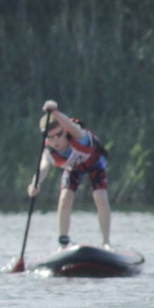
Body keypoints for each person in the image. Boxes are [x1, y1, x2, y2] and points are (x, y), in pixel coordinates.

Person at [35, 100, 113, 250]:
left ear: (64, 131)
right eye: (49, 137)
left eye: (57, 135)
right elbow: (43, 168)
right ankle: (63, 245)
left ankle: (106, 242)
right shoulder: (49, 150)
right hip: (74, 167)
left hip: (95, 163)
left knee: (100, 197)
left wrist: (54, 112)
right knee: (64, 199)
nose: (54, 141)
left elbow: (69, 125)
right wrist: (35, 184)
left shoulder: (77, 134)